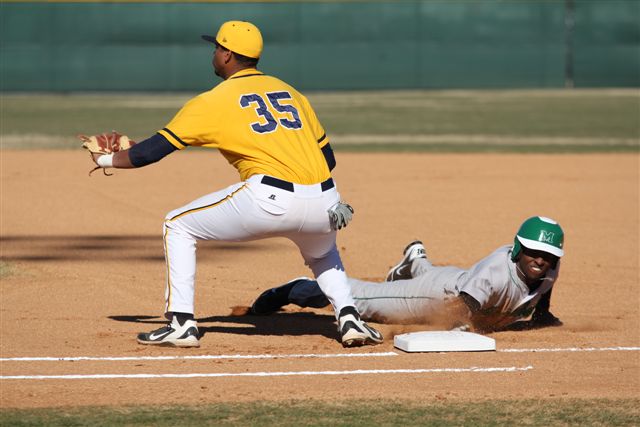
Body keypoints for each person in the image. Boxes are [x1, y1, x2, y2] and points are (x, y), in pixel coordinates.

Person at [85, 21, 382, 348]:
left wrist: (106, 160)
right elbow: (328, 159)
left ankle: (181, 323)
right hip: (327, 202)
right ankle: (350, 318)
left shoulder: (214, 100)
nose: (213, 53)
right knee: (323, 255)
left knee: (177, 225)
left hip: (269, 200)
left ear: (227, 55)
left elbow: (149, 153)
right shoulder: (291, 93)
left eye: (216, 47)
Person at [250, 216, 565, 333]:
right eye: (534, 251)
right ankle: (301, 287)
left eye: (549, 255)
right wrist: (458, 328)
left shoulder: (548, 268)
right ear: (518, 248)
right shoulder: (495, 273)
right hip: (435, 296)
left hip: (456, 278)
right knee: (361, 301)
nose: (541, 260)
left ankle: (416, 259)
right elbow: (457, 310)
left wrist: (543, 314)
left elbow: (544, 287)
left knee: (437, 274)